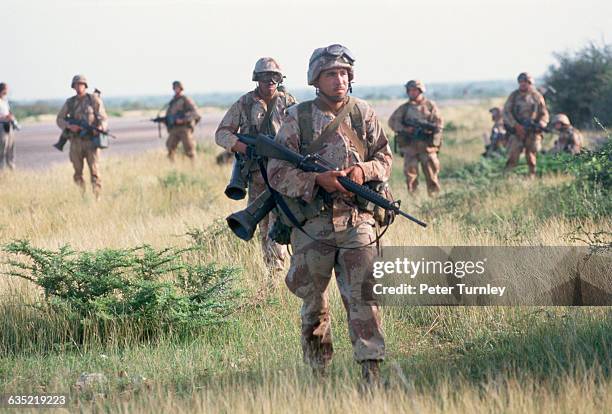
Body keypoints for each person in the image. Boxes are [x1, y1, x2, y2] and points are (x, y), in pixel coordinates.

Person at [267, 44, 391, 383]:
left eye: (343, 73)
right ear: (315, 80)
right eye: (330, 74)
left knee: (364, 301)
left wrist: (362, 173)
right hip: (314, 226)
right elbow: (276, 172)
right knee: (313, 303)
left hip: (357, 223)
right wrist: (316, 179)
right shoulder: (299, 118)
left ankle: (372, 375)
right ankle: (318, 375)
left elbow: (385, 160)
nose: (338, 80)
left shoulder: (363, 113)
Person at [215, 57, 296, 272]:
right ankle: (273, 271)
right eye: (265, 76)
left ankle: (284, 269)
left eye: (274, 76)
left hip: (284, 173)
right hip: (258, 173)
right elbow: (221, 134)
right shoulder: (244, 103)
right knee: (263, 224)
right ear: (256, 79)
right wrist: (244, 148)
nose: (270, 81)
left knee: (286, 218)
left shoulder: (288, 102)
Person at [56, 75, 108, 198]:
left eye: (81, 84)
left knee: (95, 171)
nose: (79, 87)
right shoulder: (70, 102)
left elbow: (104, 118)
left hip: (91, 142)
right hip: (76, 142)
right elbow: (59, 119)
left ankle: (97, 197)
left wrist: (101, 127)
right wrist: (69, 126)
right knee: (77, 173)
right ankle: (82, 196)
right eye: (76, 84)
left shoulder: (93, 100)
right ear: (73, 87)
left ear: (85, 86)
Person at [388, 80, 443, 196]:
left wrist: (429, 131)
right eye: (410, 90)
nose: (412, 93)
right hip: (410, 147)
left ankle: (435, 198)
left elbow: (439, 125)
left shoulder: (430, 106)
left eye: (415, 90)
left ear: (421, 91)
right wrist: (405, 129)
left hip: (427, 147)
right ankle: (414, 199)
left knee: (432, 175)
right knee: (411, 177)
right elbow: (392, 122)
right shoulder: (404, 108)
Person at [503, 72, 549, 178]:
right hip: (516, 130)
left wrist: (542, 123)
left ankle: (531, 176)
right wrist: (515, 125)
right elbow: (506, 112)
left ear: (530, 83)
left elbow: (544, 113)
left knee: (531, 155)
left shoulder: (536, 96)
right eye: (521, 82)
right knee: (513, 155)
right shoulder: (514, 96)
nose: (523, 84)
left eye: (526, 82)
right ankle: (507, 177)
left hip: (532, 131)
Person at [163, 81, 201, 161]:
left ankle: (194, 166)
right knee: (170, 147)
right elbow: (169, 115)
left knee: (189, 148)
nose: (176, 89)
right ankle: (171, 166)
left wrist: (183, 120)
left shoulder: (185, 99)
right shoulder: (173, 101)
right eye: (175, 88)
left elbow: (196, 113)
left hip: (184, 128)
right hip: (174, 129)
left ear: (181, 88)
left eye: (178, 88)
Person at [0, 83, 17, 170]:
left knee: (11, 148)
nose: (7, 91)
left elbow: (8, 112)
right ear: (2, 90)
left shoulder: (5, 101)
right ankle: (1, 170)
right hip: (1, 127)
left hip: (9, 126)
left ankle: (11, 168)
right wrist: (5, 117)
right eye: (6, 89)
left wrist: (11, 116)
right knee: (2, 149)